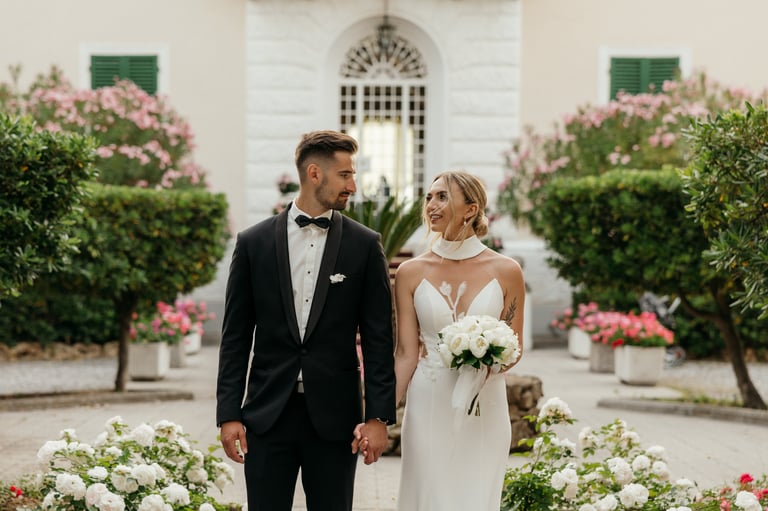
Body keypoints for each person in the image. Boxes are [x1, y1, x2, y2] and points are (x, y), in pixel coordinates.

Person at [216, 130, 397, 511]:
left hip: (336, 419)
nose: (353, 185)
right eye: (345, 175)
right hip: (267, 414)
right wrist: (228, 413)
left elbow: (380, 337)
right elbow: (235, 336)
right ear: (315, 173)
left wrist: (379, 417)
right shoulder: (253, 243)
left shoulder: (365, 245)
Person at [394, 170, 525, 510]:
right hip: (428, 400)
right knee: (428, 492)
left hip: (486, 400)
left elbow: (515, 347)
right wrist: (380, 416)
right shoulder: (410, 272)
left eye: (442, 197)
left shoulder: (507, 270)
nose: (431, 205)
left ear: (470, 209)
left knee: (475, 494)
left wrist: (486, 362)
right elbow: (406, 353)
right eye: (429, 197)